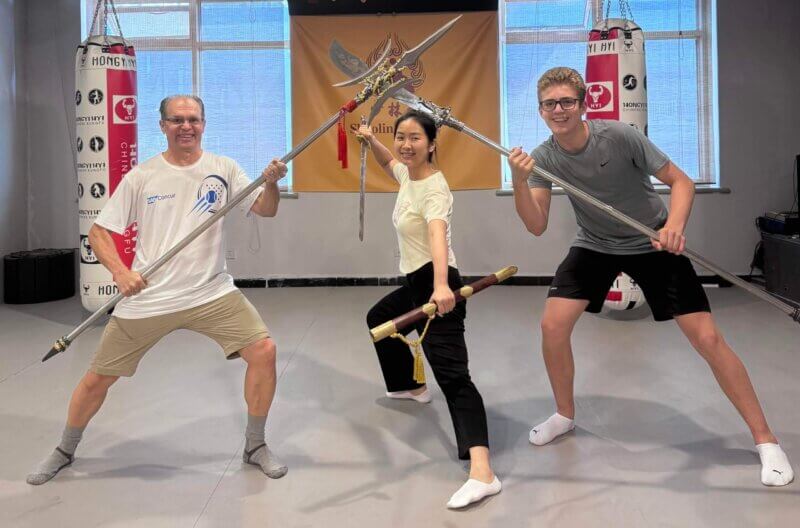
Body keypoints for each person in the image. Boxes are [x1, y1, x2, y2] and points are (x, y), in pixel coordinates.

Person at [507, 67, 793, 487]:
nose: (559, 110)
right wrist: (517, 179)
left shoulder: (620, 137)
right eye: (550, 104)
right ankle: (564, 415)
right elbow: (535, 224)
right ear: (540, 111)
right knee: (552, 324)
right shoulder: (544, 158)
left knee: (707, 338)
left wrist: (674, 225)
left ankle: (766, 441)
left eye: (567, 101)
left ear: (584, 105)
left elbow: (681, 182)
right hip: (596, 243)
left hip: (652, 240)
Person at [28, 95, 289, 485]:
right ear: (162, 125)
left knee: (264, 352)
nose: (187, 126)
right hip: (149, 297)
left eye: (194, 119)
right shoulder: (142, 176)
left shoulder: (225, 168)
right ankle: (65, 448)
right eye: (177, 120)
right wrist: (119, 271)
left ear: (204, 124)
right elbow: (99, 232)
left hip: (210, 292)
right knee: (98, 378)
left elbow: (266, 210)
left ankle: (254, 445)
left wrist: (271, 185)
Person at [358, 110, 502, 508]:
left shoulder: (434, 189)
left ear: (433, 144)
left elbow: (439, 235)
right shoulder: (408, 174)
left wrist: (442, 287)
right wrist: (372, 139)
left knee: (455, 377)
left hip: (438, 285)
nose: (406, 145)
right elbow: (390, 163)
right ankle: (412, 386)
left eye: (415, 138)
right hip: (415, 281)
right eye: (401, 136)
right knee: (378, 319)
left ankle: (483, 472)